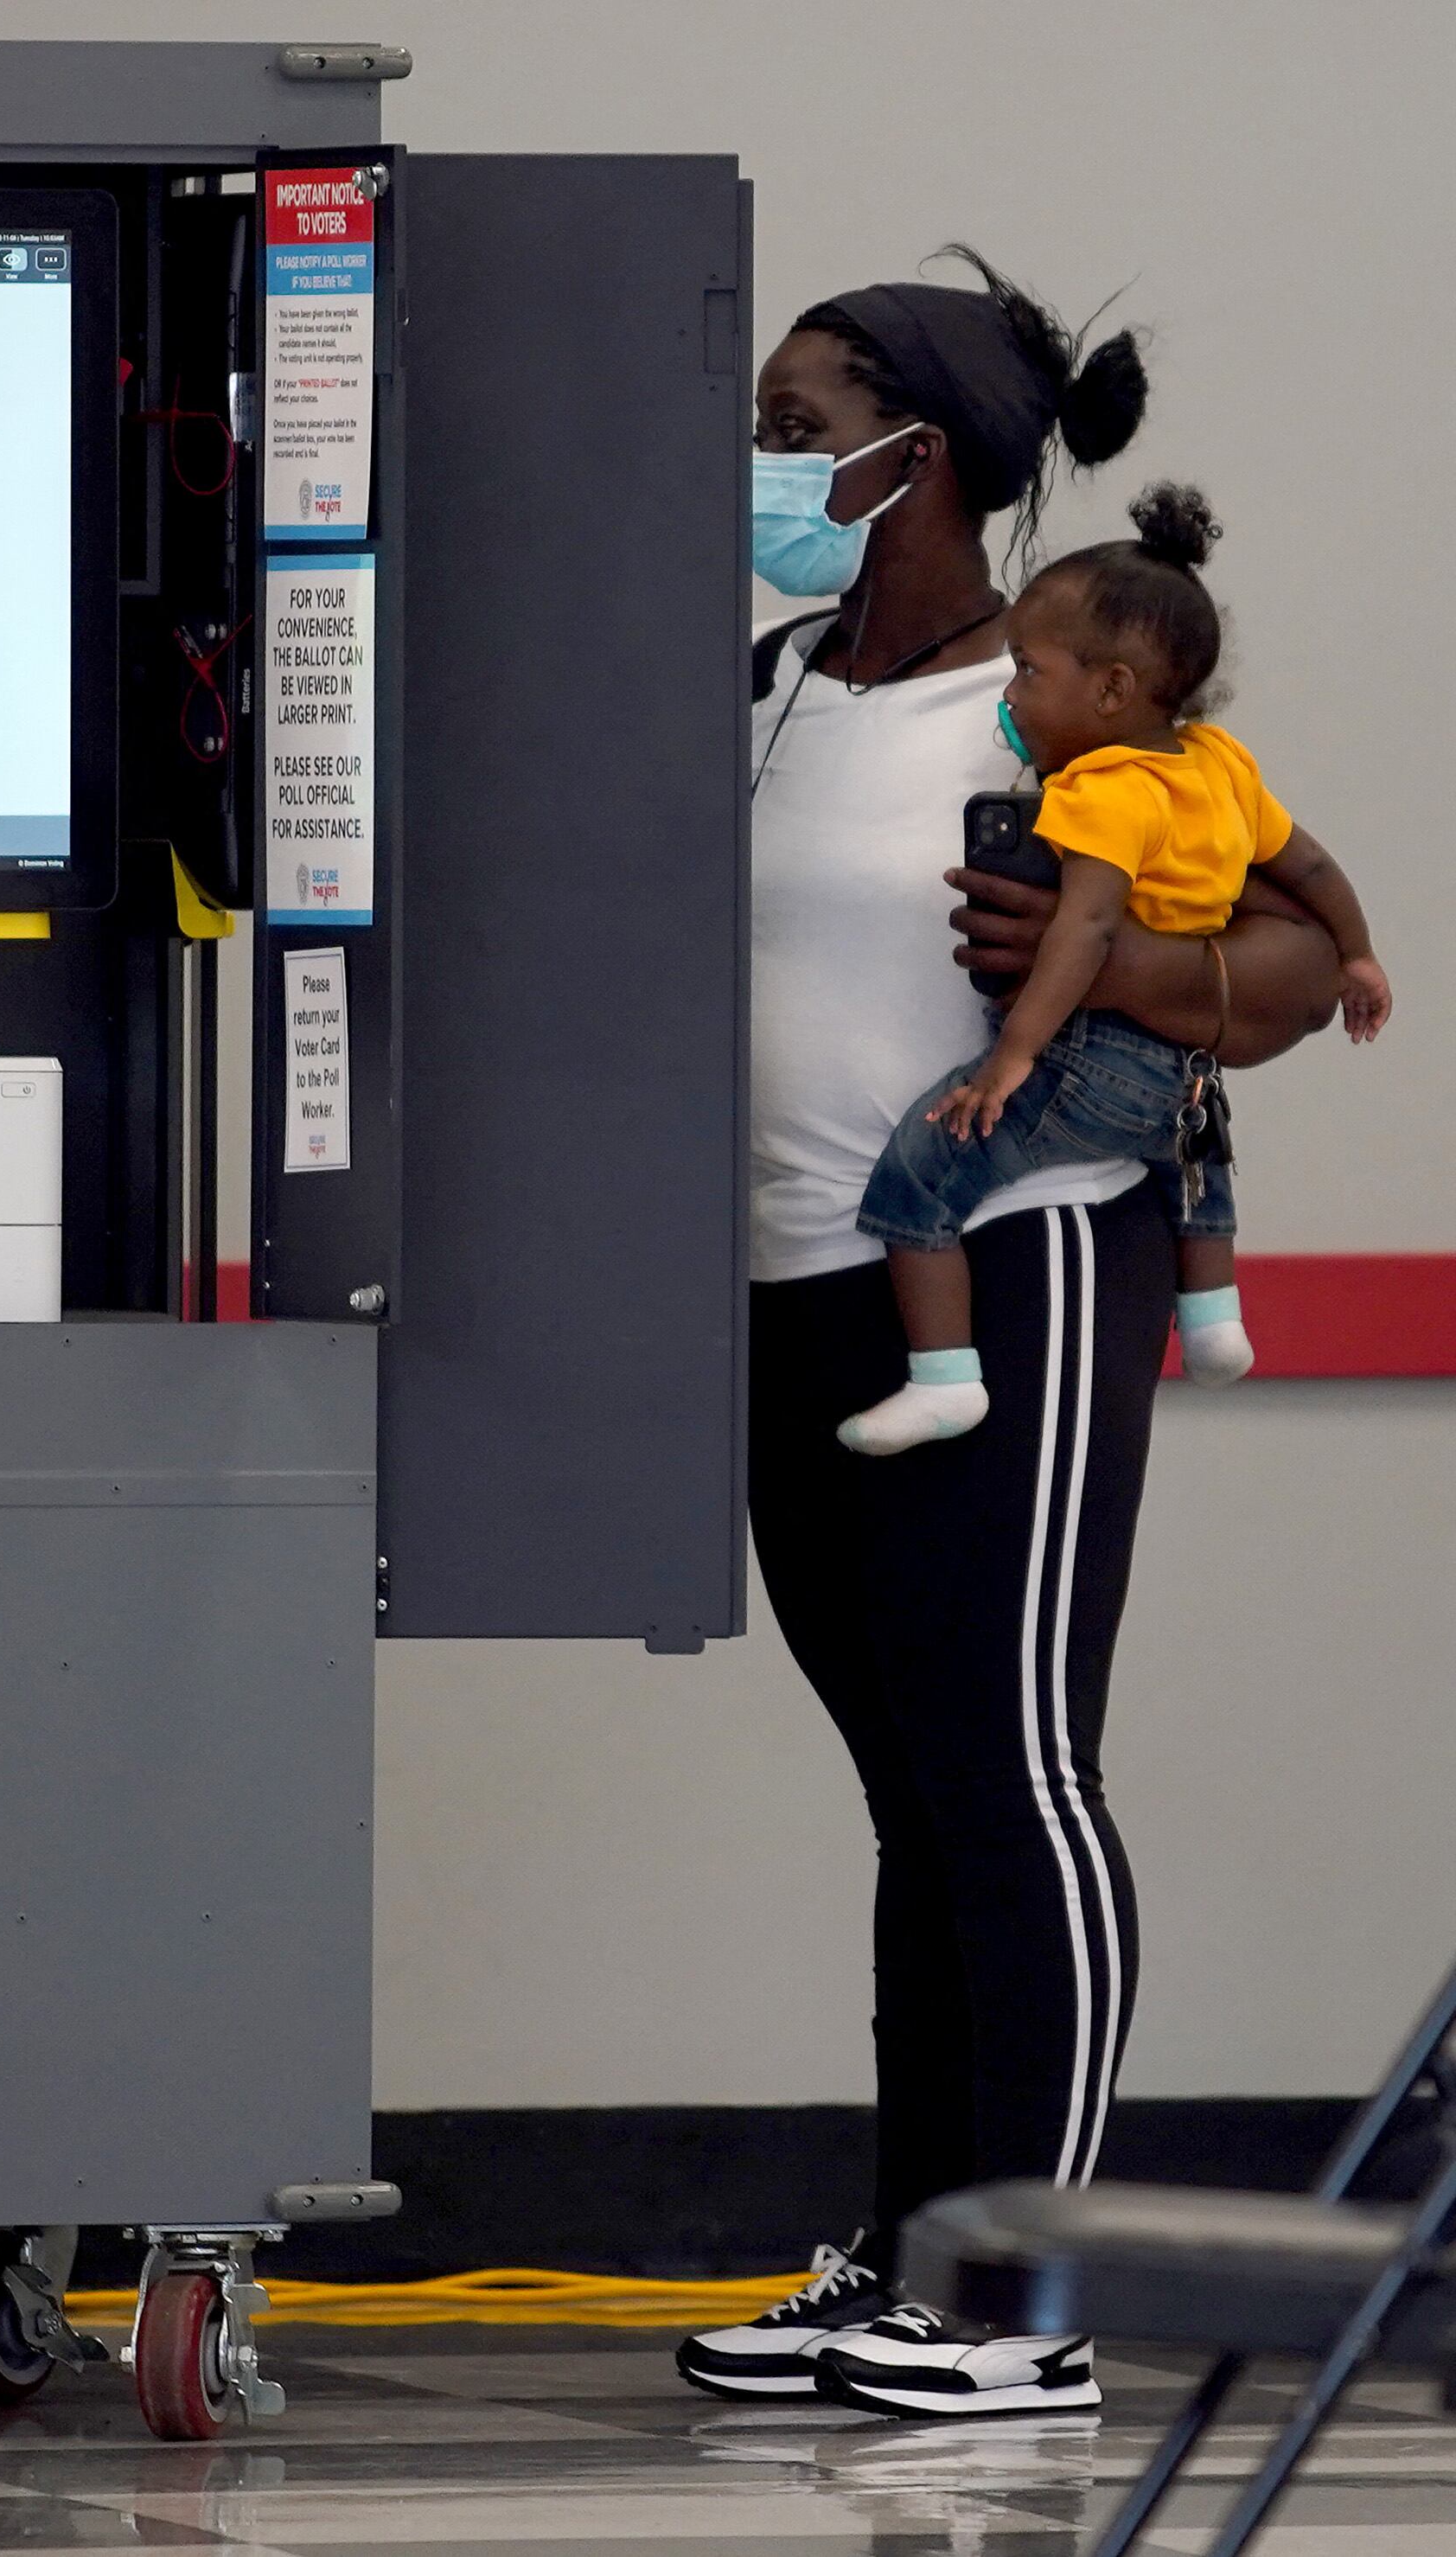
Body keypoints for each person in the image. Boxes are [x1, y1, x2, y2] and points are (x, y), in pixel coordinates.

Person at [673, 249, 1345, 2420]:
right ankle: (912, 2255)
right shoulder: (767, 678)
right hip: (797, 1287)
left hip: (1026, 1268)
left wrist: (1126, 977)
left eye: (795, 423)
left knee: (1009, 1769)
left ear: (922, 457)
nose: (762, 461)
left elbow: (1289, 968)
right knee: (914, 1788)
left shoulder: (1062, 710)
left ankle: (1023, 2302)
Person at [838, 485, 1391, 1455]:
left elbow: (1085, 932)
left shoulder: (1098, 788)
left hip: (1088, 1056)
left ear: (1109, 691)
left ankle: (943, 1378)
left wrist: (1008, 1062)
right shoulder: (1218, 762)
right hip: (1183, 1063)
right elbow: (1305, 864)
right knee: (1195, 1149)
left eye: (1026, 669)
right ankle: (1214, 1317)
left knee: (917, 1180)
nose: (1009, 692)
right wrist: (1357, 952)